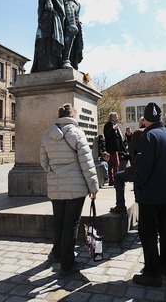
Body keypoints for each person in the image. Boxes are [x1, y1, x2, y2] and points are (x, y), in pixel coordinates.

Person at [40, 103, 98, 276]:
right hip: (76, 186)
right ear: (73, 116)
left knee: (58, 221)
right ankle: (67, 263)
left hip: (55, 186)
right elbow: (87, 163)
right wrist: (93, 186)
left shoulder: (47, 134)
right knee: (71, 224)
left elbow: (43, 162)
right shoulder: (77, 133)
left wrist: (54, 172)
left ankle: (57, 253)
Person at [132, 103, 166, 288]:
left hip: (150, 194)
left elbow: (143, 169)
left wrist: (138, 186)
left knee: (148, 232)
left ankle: (153, 272)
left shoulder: (148, 136)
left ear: (145, 118)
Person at [31, 0, 83, 72]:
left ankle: (69, 60)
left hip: (74, 7)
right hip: (64, 4)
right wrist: (48, 0)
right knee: (72, 29)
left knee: (75, 33)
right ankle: (65, 60)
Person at [110, 116, 145, 214]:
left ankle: (120, 206)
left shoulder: (139, 132)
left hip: (139, 168)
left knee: (118, 176)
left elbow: (131, 150)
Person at [103, 112, 127, 186]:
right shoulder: (108, 125)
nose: (118, 117)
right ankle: (115, 181)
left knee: (112, 165)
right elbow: (107, 135)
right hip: (111, 148)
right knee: (115, 164)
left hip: (116, 148)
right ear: (112, 117)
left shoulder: (115, 125)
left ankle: (112, 181)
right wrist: (113, 129)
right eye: (116, 116)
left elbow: (119, 138)